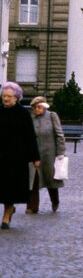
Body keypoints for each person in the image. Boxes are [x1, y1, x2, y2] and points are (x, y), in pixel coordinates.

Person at [0, 82, 39, 230]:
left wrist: (35, 157)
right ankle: (8, 210)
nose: (6, 99)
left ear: (16, 98)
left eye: (9, 96)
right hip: (0, 156)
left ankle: (7, 214)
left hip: (16, 158)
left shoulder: (23, 114)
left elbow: (30, 136)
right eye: (4, 96)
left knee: (10, 189)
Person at [28, 96, 66, 213]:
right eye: (35, 107)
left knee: (51, 181)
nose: (37, 109)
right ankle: (32, 207)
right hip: (34, 154)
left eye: (40, 107)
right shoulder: (31, 118)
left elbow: (59, 134)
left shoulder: (51, 116)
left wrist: (60, 152)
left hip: (50, 154)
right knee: (33, 180)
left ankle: (55, 201)